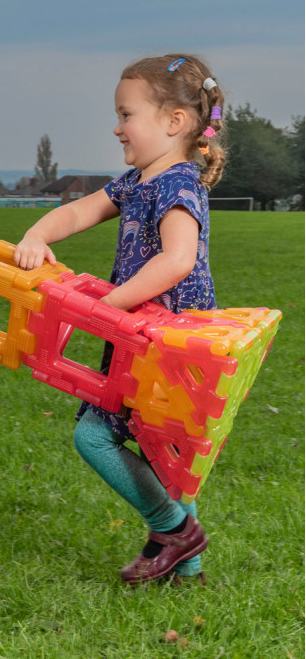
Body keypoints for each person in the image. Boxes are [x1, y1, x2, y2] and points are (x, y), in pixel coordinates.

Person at [14, 54, 227, 585]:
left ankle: (171, 529)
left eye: (126, 114)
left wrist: (107, 308)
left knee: (94, 436)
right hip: (143, 338)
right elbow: (80, 210)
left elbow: (177, 259)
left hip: (166, 344)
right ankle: (188, 567)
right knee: (164, 453)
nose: (117, 126)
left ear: (174, 122)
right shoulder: (136, 181)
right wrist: (39, 235)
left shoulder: (177, 185)